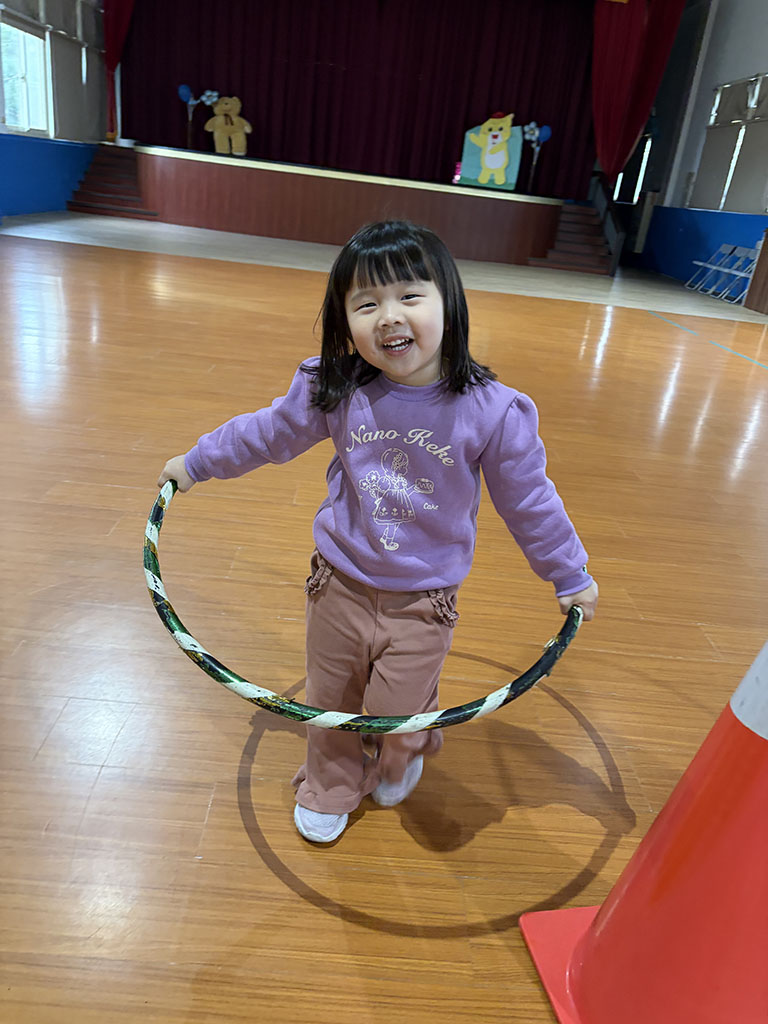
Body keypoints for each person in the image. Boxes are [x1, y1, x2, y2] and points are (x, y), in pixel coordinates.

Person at [157, 220, 599, 845]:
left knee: (397, 710)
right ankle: (330, 785)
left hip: (424, 597)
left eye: (410, 296)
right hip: (338, 581)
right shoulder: (338, 388)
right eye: (366, 304)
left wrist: (568, 572)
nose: (389, 316)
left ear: (449, 302)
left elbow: (529, 500)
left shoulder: (493, 411)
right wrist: (199, 462)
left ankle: (407, 743)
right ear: (345, 321)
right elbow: (269, 432)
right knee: (330, 698)